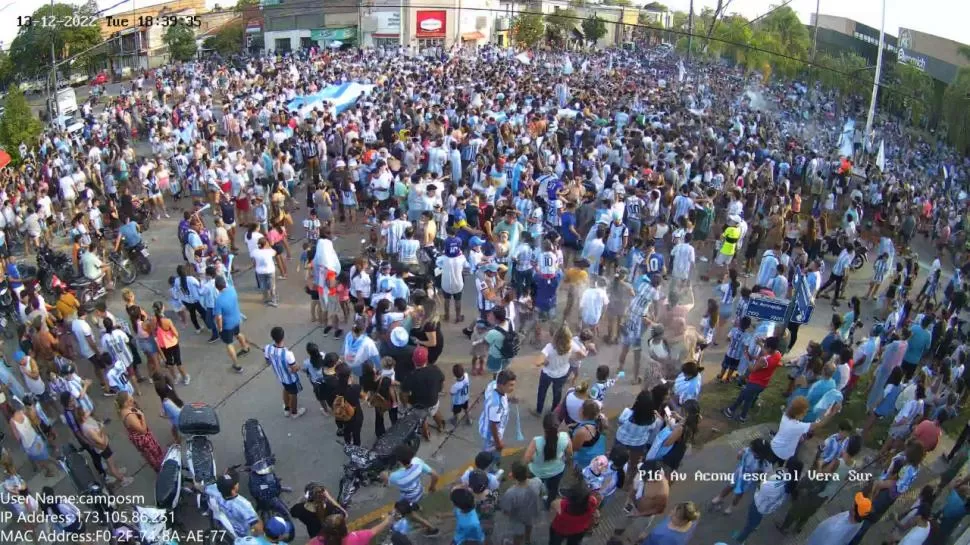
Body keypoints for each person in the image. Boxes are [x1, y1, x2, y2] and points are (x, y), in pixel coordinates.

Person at [733, 458, 804, 543]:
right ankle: (754, 526)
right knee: (756, 519)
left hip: (760, 503)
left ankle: (740, 540)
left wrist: (761, 480)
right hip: (767, 505)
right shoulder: (792, 480)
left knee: (749, 525)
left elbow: (764, 487)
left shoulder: (778, 479)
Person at [383, 444, 440, 535]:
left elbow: (386, 483)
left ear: (399, 462)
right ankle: (416, 507)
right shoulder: (417, 462)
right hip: (419, 491)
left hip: (407, 498)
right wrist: (432, 486)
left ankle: (431, 527)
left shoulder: (395, 477)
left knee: (411, 515)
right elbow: (435, 475)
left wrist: (384, 475)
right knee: (414, 504)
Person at [723, 336, 782, 422]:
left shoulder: (763, 360)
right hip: (763, 383)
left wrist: (748, 358)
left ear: (769, 348)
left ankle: (734, 413)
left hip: (755, 382)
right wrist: (760, 344)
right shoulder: (778, 354)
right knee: (746, 397)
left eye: (765, 345)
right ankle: (737, 414)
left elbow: (752, 369)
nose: (763, 347)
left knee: (744, 398)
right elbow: (768, 353)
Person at [770, 396, 840, 463]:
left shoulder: (785, 416)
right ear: (798, 413)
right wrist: (832, 414)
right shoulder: (798, 426)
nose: (805, 414)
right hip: (783, 454)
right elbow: (820, 424)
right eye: (804, 412)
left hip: (774, 445)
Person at [524, 412, 572, 508]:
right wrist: (563, 459)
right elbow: (569, 454)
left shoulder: (536, 441)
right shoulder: (565, 437)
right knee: (553, 490)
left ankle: (532, 503)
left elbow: (526, 459)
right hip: (557, 470)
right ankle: (548, 505)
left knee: (534, 489)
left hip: (537, 472)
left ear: (544, 427)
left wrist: (535, 459)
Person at [76, 407, 133, 487]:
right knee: (111, 465)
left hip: (103, 446)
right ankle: (123, 479)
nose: (87, 411)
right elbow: (100, 441)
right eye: (85, 411)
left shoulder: (86, 422)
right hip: (103, 447)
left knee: (111, 461)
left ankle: (118, 472)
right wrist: (102, 429)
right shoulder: (88, 428)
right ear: (83, 416)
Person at [401, 346, 446, 437]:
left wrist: (405, 405)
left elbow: (404, 394)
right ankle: (441, 426)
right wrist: (438, 390)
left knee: (422, 419)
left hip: (418, 405)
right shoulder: (435, 369)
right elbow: (442, 381)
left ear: (413, 360)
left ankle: (426, 434)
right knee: (435, 413)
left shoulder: (410, 376)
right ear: (426, 360)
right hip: (433, 400)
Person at [116, 391, 164, 472]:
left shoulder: (124, 410)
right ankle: (162, 469)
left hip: (139, 438)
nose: (133, 400)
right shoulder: (129, 416)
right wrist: (142, 415)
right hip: (143, 439)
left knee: (151, 454)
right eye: (130, 400)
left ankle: (161, 465)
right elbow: (143, 430)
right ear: (125, 403)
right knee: (153, 454)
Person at [213, 276, 252, 373]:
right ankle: (245, 347)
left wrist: (220, 328)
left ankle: (236, 364)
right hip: (236, 319)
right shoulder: (232, 289)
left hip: (227, 325)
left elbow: (218, 317)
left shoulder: (218, 300)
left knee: (229, 344)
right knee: (238, 333)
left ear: (217, 287)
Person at [209, 472, 262, 539]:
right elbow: (258, 527)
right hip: (244, 535)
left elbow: (203, 488)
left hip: (227, 527)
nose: (237, 483)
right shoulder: (243, 505)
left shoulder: (215, 491)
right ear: (233, 489)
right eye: (235, 483)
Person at [804, 492, 872, 545]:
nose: (853, 503)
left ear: (854, 512)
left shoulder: (838, 532)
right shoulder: (851, 516)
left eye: (854, 504)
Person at [500, 461, 542, 545]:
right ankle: (527, 541)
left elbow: (506, 511)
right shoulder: (537, 481)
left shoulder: (510, 493)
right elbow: (540, 493)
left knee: (518, 535)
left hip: (517, 518)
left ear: (513, 476)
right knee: (529, 525)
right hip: (531, 513)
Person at [479, 369, 516, 454]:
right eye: (510, 385)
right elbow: (493, 425)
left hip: (487, 427)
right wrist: (498, 443)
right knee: (489, 456)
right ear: (501, 385)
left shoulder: (493, 385)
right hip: (491, 437)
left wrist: (509, 399)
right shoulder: (496, 405)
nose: (512, 388)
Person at [307, 511, 396, 545]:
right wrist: (387, 521)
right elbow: (374, 531)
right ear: (344, 528)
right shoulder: (356, 538)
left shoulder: (319, 540)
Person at [333, 362, 364, 446]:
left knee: (347, 431)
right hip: (356, 415)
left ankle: (348, 443)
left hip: (343, 415)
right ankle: (356, 449)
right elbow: (363, 397)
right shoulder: (355, 388)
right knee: (356, 434)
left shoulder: (335, 387)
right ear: (350, 376)